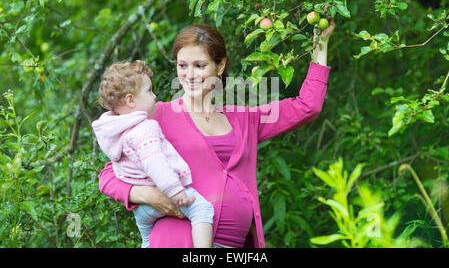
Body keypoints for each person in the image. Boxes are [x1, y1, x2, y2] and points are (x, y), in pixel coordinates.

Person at [98, 20, 336, 248]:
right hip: (176, 239)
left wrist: (320, 44)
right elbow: (109, 175)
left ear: (220, 66)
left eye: (200, 66)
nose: (189, 74)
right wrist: (150, 196)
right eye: (182, 65)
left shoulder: (245, 119)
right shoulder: (156, 116)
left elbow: (307, 106)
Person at [92, 60, 214, 248]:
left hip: (141, 211)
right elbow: (155, 163)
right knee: (202, 209)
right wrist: (176, 191)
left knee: (147, 241)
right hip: (163, 194)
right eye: (149, 91)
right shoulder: (144, 128)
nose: (154, 95)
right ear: (130, 100)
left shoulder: (116, 130)